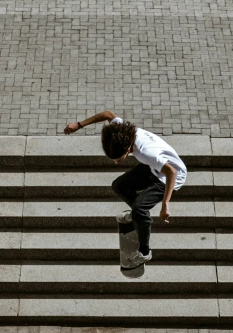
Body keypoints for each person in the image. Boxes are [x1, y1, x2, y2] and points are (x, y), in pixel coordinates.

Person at [64, 110, 187, 267]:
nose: (117, 163)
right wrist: (79, 125)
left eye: (119, 159)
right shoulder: (120, 130)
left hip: (170, 177)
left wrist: (165, 205)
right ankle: (141, 217)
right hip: (154, 168)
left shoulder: (145, 153)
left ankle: (144, 252)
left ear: (128, 149)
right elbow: (107, 114)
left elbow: (172, 172)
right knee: (119, 186)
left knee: (139, 209)